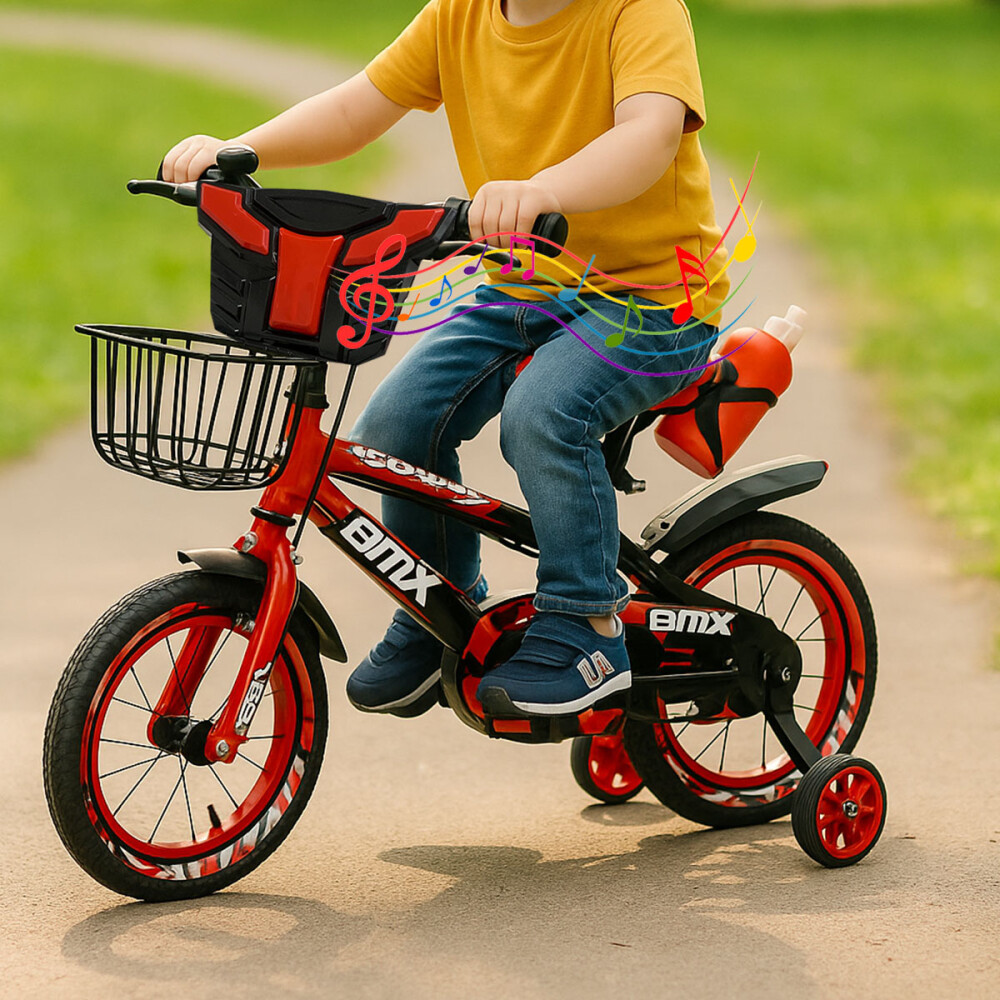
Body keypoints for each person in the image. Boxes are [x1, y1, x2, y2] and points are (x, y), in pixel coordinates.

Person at [163, 0, 731, 718]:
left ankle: (587, 623)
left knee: (543, 416)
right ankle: (441, 604)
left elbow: (647, 136)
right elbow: (356, 108)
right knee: (398, 421)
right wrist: (238, 150)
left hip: (651, 300)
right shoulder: (456, 15)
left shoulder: (637, 11)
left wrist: (544, 189)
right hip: (524, 287)